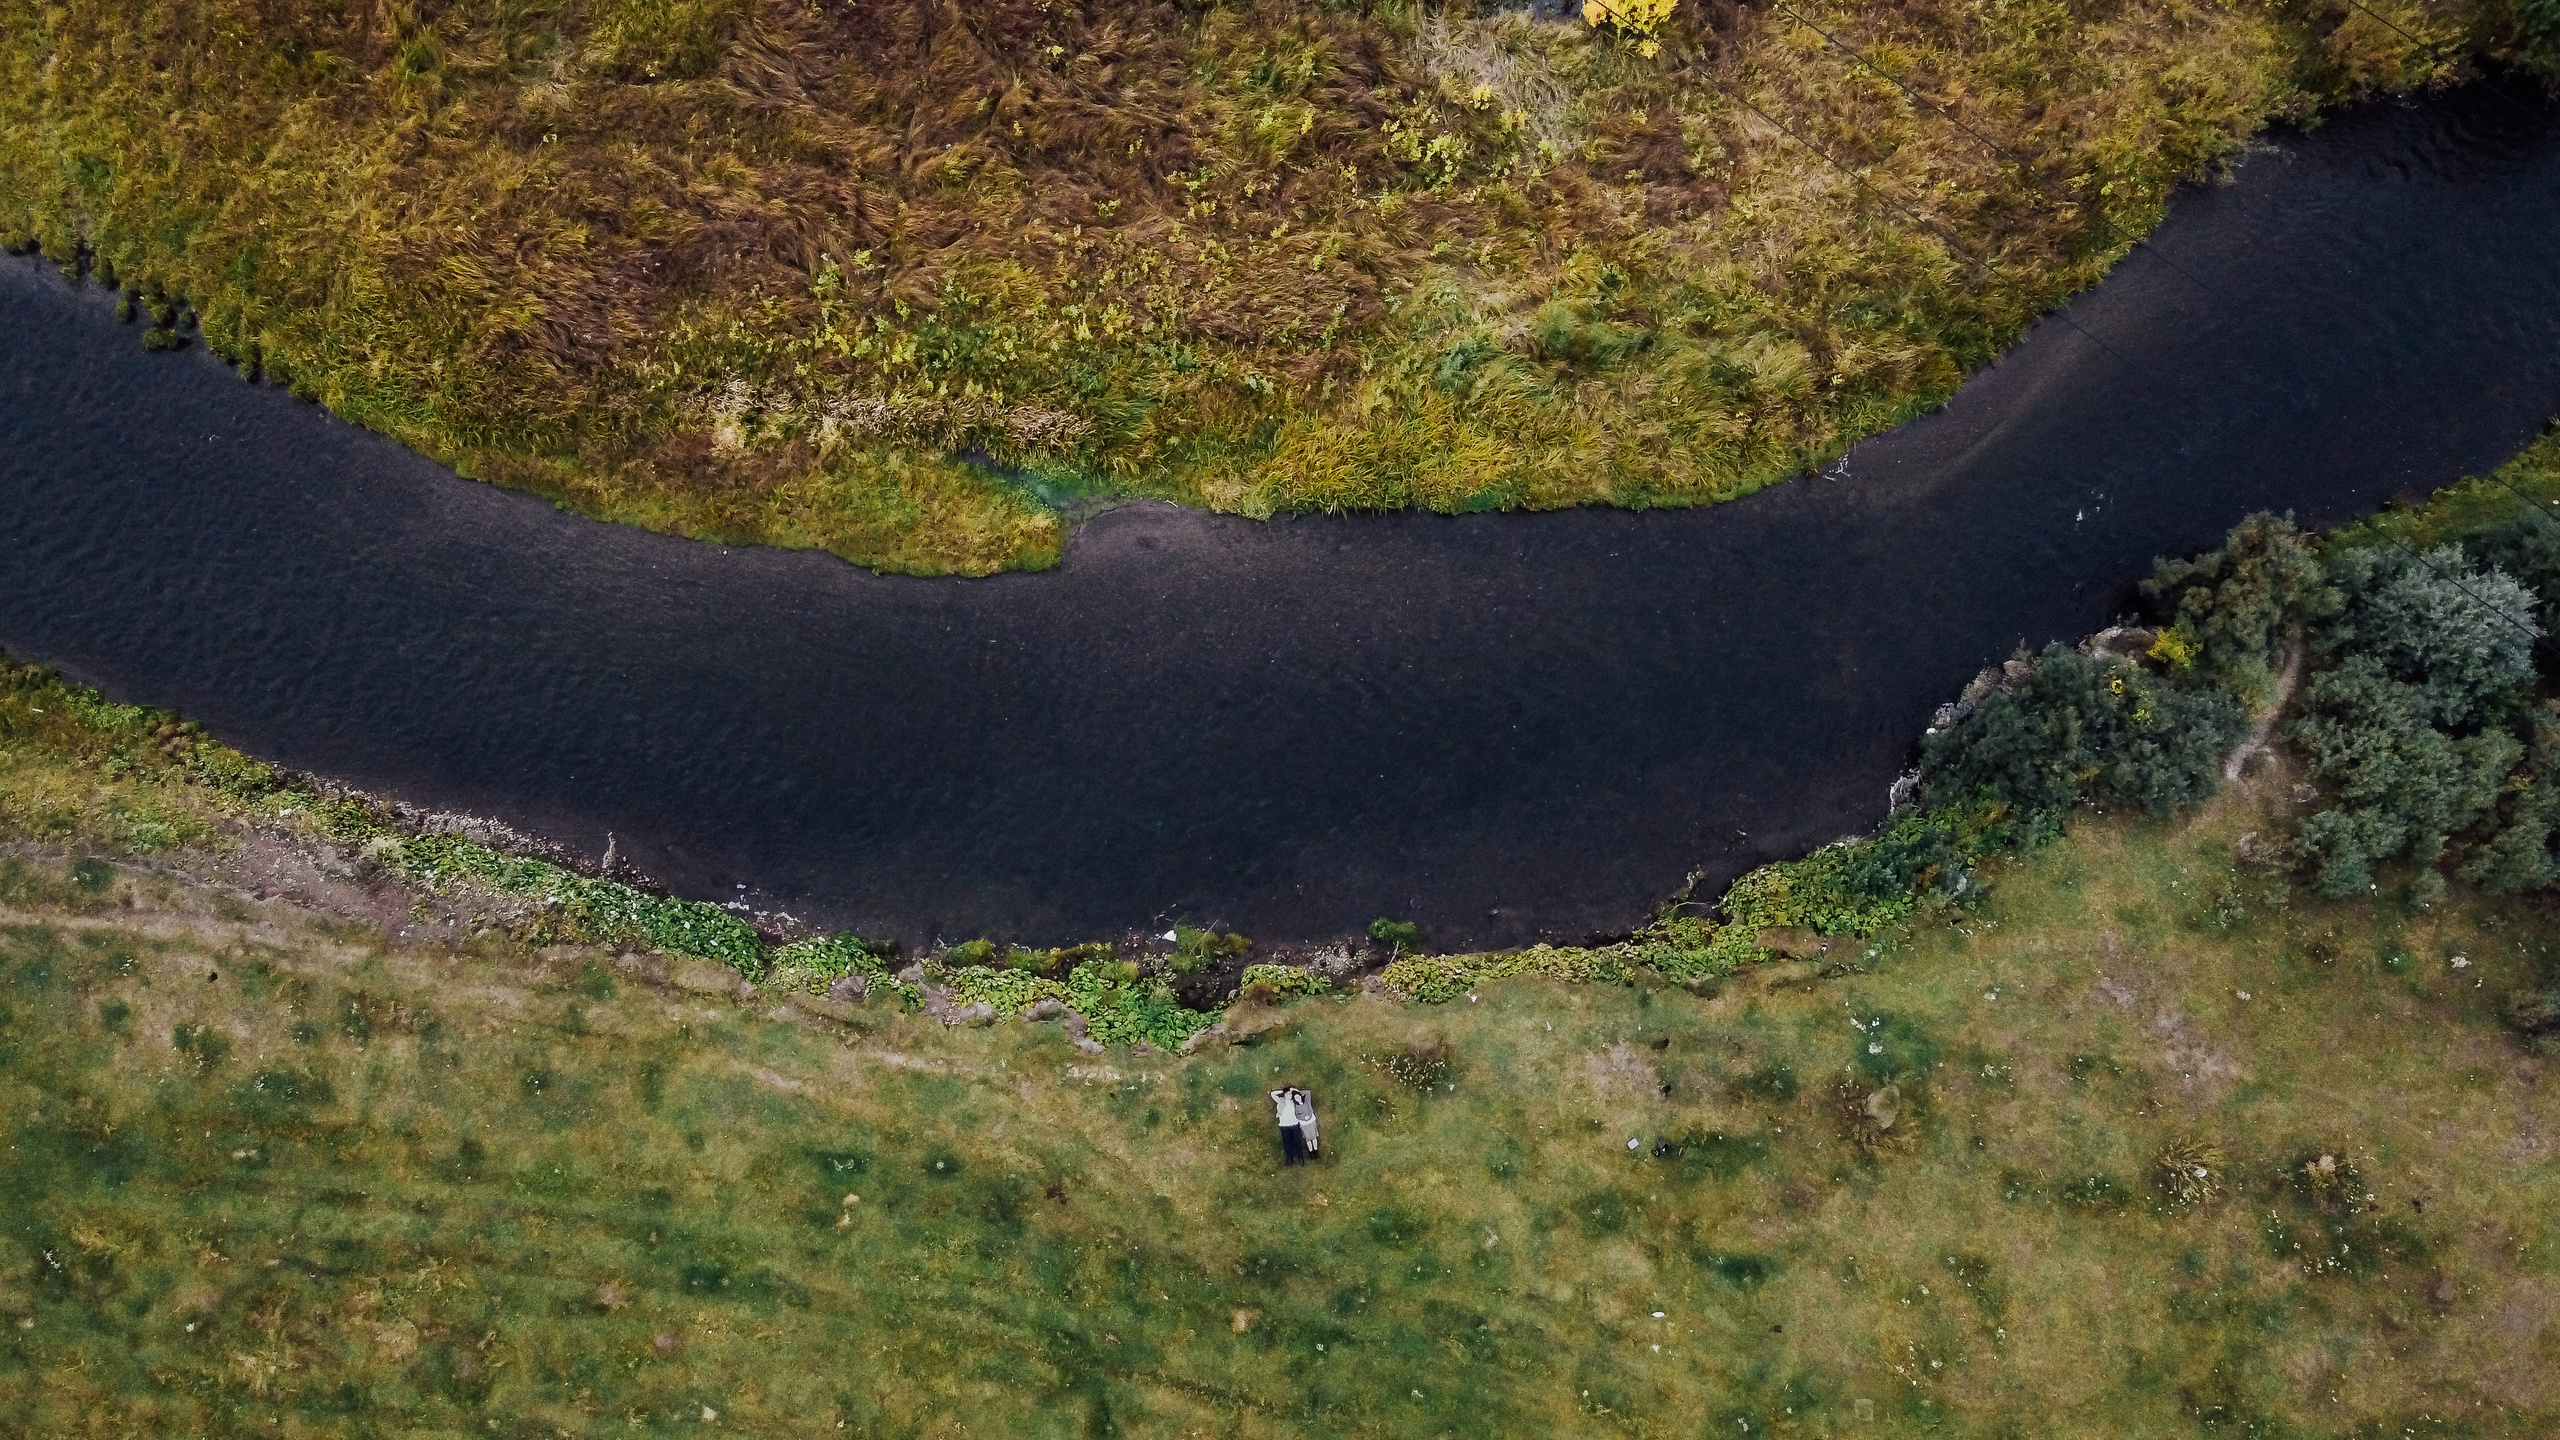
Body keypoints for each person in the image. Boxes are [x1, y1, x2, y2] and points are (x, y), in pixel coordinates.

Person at [1270, 1086, 1308, 1165]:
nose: (1291, 1095)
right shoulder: (1280, 1101)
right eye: (1289, 1094)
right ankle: (1290, 1158)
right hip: (1284, 1126)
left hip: (1294, 1124)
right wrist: (1283, 1091)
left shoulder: (1293, 1101)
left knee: (1297, 1141)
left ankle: (1300, 1157)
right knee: (1287, 1142)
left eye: (1291, 1094)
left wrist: (1293, 1090)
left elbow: (1300, 1094)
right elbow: (1272, 1094)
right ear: (1285, 1094)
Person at [1292, 1087, 1320, 1159]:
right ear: (1294, 1100)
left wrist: (1309, 1116)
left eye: (1298, 1096)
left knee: (1313, 1137)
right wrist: (1304, 1118)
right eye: (1295, 1098)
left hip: (1311, 1121)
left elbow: (1311, 1109)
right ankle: (1311, 1153)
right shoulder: (1296, 1106)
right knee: (1308, 1139)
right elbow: (1297, 1115)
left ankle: (1316, 1151)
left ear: (1300, 1095)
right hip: (1304, 1124)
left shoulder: (1306, 1100)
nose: (1297, 1098)